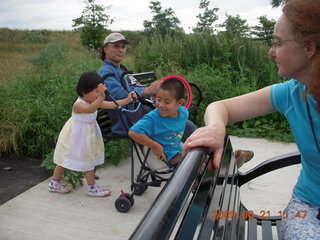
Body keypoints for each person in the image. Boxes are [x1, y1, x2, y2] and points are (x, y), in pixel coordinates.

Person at [183, 0, 320, 238]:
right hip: (307, 208)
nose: (271, 52)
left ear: (308, 47)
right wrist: (216, 128)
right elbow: (220, 106)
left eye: (278, 43)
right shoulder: (291, 93)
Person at [49, 72, 136, 197]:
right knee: (64, 159)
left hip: (88, 136)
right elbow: (90, 110)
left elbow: (112, 105)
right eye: (96, 91)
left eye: (98, 92)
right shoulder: (78, 104)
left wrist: (127, 100)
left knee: (89, 160)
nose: (98, 95)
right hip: (75, 137)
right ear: (85, 91)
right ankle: (59, 183)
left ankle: (89, 186)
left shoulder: (94, 101)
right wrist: (101, 96)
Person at [98, 32, 162, 134]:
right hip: (130, 119)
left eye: (123, 47)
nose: (120, 50)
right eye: (116, 46)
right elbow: (120, 96)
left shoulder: (122, 69)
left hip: (141, 111)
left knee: (177, 112)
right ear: (105, 49)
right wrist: (147, 90)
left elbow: (134, 86)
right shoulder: (106, 72)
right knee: (176, 120)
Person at [128, 77, 188, 167]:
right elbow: (133, 132)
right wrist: (155, 146)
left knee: (204, 156)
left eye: (167, 102)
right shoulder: (153, 118)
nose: (160, 105)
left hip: (179, 149)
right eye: (159, 100)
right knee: (190, 167)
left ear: (179, 102)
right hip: (167, 156)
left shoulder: (184, 112)